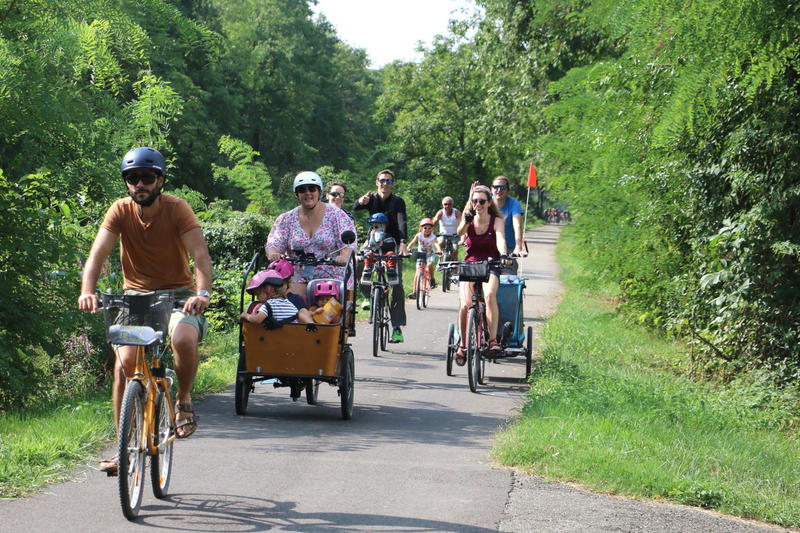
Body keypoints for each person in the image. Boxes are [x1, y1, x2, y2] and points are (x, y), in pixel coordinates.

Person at [78, 147, 212, 473]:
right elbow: (97, 256)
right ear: (127, 183)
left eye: (147, 178)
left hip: (179, 295)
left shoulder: (178, 209)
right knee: (124, 364)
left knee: (182, 338)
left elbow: (201, 256)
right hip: (136, 296)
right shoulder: (119, 211)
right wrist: (87, 291)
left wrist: (202, 293)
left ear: (160, 180)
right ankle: (123, 449)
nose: (140, 184)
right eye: (133, 178)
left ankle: (182, 401)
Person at [266, 171, 357, 296]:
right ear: (297, 194)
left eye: (312, 189)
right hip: (298, 276)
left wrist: (343, 257)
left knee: (332, 310)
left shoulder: (337, 215)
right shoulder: (286, 219)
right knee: (287, 301)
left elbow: (348, 245)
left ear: (319, 192)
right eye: (302, 190)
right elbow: (273, 243)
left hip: (332, 274)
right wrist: (274, 254)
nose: (308, 193)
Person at [455, 183, 510, 364]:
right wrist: (466, 220)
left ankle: (493, 340)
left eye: (482, 201)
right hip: (470, 264)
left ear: (488, 203)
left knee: (489, 295)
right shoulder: (469, 217)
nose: (478, 204)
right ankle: (463, 345)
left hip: (491, 264)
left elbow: (501, 239)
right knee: (465, 305)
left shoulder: (497, 221)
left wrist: (503, 255)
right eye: (475, 201)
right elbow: (460, 232)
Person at [353, 169, 408, 343]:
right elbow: (356, 207)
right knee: (359, 262)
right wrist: (361, 201)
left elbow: (402, 221)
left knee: (396, 285)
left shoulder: (397, 201)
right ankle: (368, 296)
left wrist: (403, 242)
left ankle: (396, 327)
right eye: (382, 180)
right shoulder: (372, 199)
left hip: (392, 244)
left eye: (389, 181)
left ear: (392, 184)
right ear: (377, 182)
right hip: (373, 242)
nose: (385, 184)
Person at [240, 269, 313, 324]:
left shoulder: (269, 305)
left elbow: (257, 320)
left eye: (258, 294)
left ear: (268, 290)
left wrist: (245, 316)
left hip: (277, 339)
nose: (257, 298)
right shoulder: (288, 303)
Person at [491, 175, 527, 273]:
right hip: (488, 247)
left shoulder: (514, 204)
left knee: (508, 280)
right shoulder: (485, 202)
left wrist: (518, 246)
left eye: (502, 187)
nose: (499, 190)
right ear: (491, 189)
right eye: (496, 187)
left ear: (507, 190)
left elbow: (518, 225)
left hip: (508, 248)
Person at [360, 212, 398, 284]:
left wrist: (383, 244)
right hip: (374, 255)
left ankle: (391, 269)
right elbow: (365, 247)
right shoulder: (370, 237)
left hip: (385, 255)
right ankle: (367, 269)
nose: (375, 229)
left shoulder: (387, 236)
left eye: (376, 227)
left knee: (391, 254)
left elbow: (392, 245)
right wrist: (371, 239)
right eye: (372, 227)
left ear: (384, 226)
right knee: (368, 254)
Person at [407, 217, 439, 298]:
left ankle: (432, 280)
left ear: (432, 229)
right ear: (421, 228)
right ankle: (415, 292)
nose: (427, 229)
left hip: (430, 254)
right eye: (425, 227)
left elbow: (436, 244)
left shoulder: (433, 237)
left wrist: (439, 249)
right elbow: (412, 242)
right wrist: (408, 248)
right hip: (420, 254)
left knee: (429, 265)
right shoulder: (419, 235)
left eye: (429, 228)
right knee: (418, 272)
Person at [431, 196, 461, 261]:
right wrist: (431, 230)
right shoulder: (441, 212)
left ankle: (455, 269)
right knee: (440, 243)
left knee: (455, 251)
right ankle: (441, 260)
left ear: (452, 205)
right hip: (443, 235)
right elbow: (434, 222)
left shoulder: (456, 212)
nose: (447, 206)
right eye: (445, 204)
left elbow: (461, 222)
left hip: (455, 236)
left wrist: (463, 233)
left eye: (449, 204)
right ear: (442, 205)